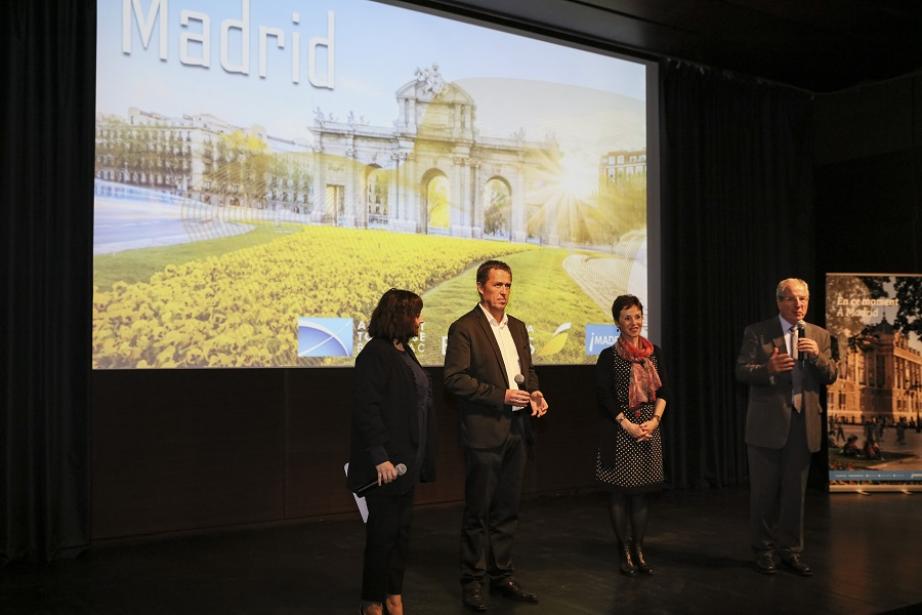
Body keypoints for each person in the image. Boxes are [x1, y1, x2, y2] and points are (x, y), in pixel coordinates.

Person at [444, 260, 549, 612]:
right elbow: (454, 379)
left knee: (507, 509)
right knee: (479, 511)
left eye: (508, 285)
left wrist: (535, 393)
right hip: (484, 432)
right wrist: (500, 395)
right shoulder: (465, 328)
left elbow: (527, 372)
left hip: (518, 429)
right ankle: (472, 581)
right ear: (480, 287)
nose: (504, 291)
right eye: (497, 285)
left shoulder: (517, 327)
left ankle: (501, 575)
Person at [735, 278, 837, 577]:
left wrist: (817, 356)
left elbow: (831, 375)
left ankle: (790, 551)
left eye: (803, 299)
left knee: (795, 496)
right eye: (792, 299)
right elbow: (741, 370)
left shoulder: (820, 335)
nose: (799, 305)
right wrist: (768, 370)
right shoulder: (758, 332)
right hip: (767, 426)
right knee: (764, 494)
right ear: (779, 301)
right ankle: (763, 550)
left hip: (803, 425)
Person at [347, 289, 438, 615]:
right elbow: (366, 410)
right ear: (400, 317)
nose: (421, 320)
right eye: (416, 314)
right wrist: (379, 456)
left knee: (401, 534)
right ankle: (371, 601)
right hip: (387, 464)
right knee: (383, 535)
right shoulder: (375, 355)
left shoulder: (405, 352)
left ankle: (393, 595)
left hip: (409, 460)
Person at [594, 294, 668, 576]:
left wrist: (654, 422)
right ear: (617, 322)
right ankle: (623, 550)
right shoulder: (608, 356)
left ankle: (639, 549)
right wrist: (628, 425)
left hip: (649, 430)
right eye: (627, 317)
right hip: (619, 431)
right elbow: (604, 397)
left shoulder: (655, 353)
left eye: (637, 316)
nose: (634, 322)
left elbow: (664, 392)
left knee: (641, 496)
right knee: (618, 495)